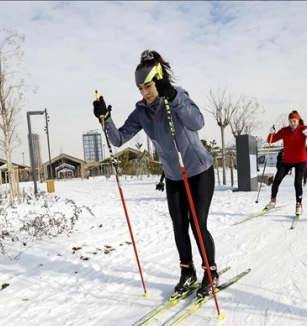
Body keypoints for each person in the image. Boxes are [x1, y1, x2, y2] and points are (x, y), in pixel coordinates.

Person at [93, 49, 218, 298]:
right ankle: (187, 272)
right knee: (178, 226)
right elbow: (118, 139)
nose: (144, 93)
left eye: (148, 86)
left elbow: (198, 123)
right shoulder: (142, 111)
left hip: (198, 171)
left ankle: (210, 272)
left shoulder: (177, 96)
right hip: (173, 176)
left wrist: (173, 96)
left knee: (197, 223)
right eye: (140, 88)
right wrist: (105, 119)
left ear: (158, 81)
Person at [264, 111, 307, 216]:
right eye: (290, 121)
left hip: (300, 160)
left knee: (297, 183)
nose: (292, 123)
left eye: (294, 121)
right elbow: (270, 141)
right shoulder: (284, 131)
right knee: (277, 180)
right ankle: (273, 201)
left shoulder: (303, 129)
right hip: (287, 160)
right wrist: (271, 133)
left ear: (298, 120)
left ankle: (299, 205)